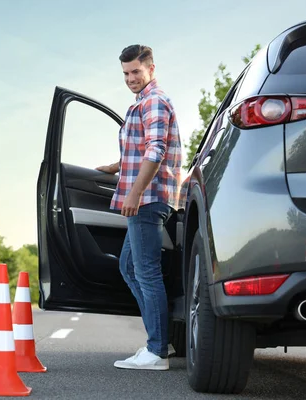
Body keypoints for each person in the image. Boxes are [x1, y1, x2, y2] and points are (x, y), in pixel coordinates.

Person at [96, 44, 181, 370]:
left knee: (146, 272)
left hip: (147, 199)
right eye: (126, 73)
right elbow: (143, 147)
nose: (130, 78)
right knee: (130, 268)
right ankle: (159, 342)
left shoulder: (154, 101)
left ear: (151, 69)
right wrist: (118, 166)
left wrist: (134, 193)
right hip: (145, 196)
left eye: (136, 72)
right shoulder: (142, 104)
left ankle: (157, 351)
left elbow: (156, 150)